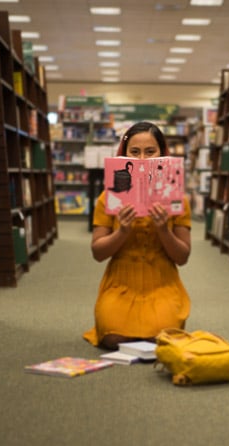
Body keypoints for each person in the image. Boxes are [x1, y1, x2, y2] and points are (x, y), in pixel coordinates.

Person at [83, 121, 192, 350]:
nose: (142, 160)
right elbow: (98, 253)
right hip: (120, 283)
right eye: (135, 152)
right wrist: (122, 231)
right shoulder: (107, 198)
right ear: (124, 155)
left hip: (162, 283)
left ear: (163, 154)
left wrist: (164, 230)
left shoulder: (178, 200)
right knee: (113, 336)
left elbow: (182, 257)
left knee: (161, 336)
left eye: (150, 152)